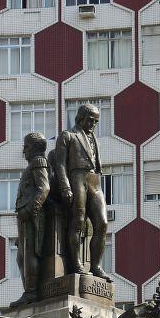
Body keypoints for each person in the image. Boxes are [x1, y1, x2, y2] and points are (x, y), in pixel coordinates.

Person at [50, 104, 109, 279]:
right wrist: (65, 186)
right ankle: (76, 263)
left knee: (102, 223)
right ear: (80, 117)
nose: (93, 124)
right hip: (76, 177)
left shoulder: (94, 139)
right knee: (79, 221)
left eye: (96, 121)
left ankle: (96, 266)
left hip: (94, 180)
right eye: (90, 120)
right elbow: (60, 164)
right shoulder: (68, 136)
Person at [11, 132, 50, 306]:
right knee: (21, 257)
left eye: (26, 146)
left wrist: (30, 209)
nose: (24, 151)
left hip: (32, 216)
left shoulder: (38, 162)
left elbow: (44, 188)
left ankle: (31, 293)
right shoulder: (33, 164)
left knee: (29, 254)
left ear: (34, 148)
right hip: (25, 217)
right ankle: (29, 290)